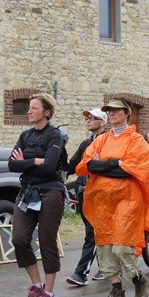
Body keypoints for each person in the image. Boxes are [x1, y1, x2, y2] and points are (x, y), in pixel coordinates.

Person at [76, 98, 149, 297]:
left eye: (115, 110)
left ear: (126, 112)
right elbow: (87, 165)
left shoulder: (136, 140)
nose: (111, 113)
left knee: (122, 246)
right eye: (109, 111)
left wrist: (104, 165)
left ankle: (138, 278)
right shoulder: (101, 140)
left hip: (127, 198)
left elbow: (135, 169)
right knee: (104, 247)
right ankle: (117, 292)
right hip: (102, 201)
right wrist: (116, 163)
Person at [8, 93, 66, 297]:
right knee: (19, 238)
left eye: (34, 108)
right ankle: (37, 285)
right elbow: (11, 165)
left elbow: (50, 166)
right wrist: (34, 160)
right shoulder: (25, 136)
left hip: (50, 192)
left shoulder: (55, 136)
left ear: (46, 112)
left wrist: (25, 162)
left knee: (47, 240)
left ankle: (49, 293)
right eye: (28, 108)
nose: (29, 111)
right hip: (27, 192)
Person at [65, 108, 108, 286]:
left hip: (103, 192)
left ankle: (81, 274)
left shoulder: (109, 141)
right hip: (84, 192)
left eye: (93, 118)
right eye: (87, 118)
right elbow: (72, 166)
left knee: (92, 233)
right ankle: (107, 267)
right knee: (96, 232)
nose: (88, 121)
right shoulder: (85, 144)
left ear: (103, 122)